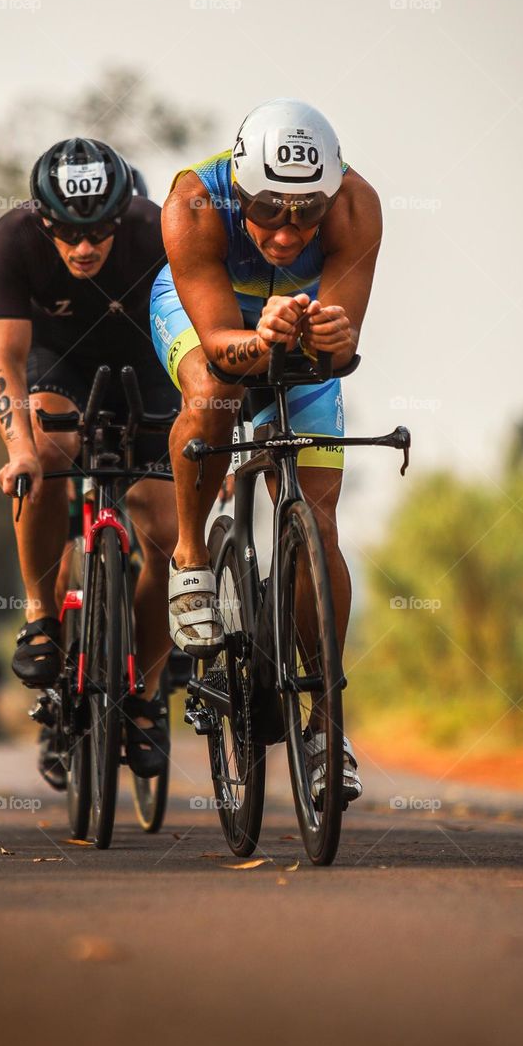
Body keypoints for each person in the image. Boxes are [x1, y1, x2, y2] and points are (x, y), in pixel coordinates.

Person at [150, 99, 382, 803]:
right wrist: (266, 338)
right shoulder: (194, 201)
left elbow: (341, 348)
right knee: (212, 397)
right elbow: (223, 349)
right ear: (239, 189)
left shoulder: (356, 206)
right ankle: (191, 559)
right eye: (267, 210)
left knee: (321, 518)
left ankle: (324, 719)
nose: (286, 231)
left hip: (297, 322)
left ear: (330, 198)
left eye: (304, 214)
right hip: (207, 318)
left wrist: (332, 341)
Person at [0, 137, 177, 784]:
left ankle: (147, 696)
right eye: (68, 231)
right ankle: (41, 619)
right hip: (60, 366)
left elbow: (199, 328)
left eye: (98, 231)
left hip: (151, 369)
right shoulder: (13, 239)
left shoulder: (159, 230)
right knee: (45, 455)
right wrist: (18, 452)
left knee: (171, 534)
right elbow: (5, 361)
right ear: (43, 221)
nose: (84, 246)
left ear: (125, 215)